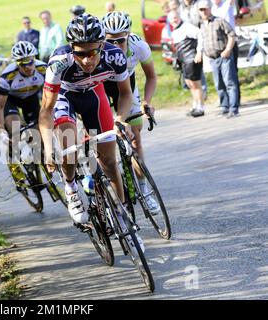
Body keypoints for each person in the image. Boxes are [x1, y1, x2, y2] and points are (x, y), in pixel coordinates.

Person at [39, 13, 134, 224]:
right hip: (65, 96)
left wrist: (120, 119)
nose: (86, 60)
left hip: (94, 94)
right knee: (68, 140)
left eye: (92, 53)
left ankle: (121, 211)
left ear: (102, 45)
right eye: (80, 53)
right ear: (72, 47)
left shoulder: (115, 56)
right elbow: (46, 110)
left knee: (109, 162)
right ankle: (71, 187)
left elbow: (125, 93)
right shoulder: (59, 62)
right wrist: (47, 148)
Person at [102, 11, 161, 215]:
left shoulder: (139, 45)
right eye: (111, 41)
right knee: (104, 142)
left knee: (135, 140)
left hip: (128, 88)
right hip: (102, 89)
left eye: (121, 40)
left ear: (128, 34)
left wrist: (147, 102)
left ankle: (144, 192)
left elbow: (151, 77)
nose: (117, 45)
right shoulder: (99, 51)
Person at [0, 41, 47, 148]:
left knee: (38, 135)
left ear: (35, 58)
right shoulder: (8, 76)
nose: (28, 67)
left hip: (31, 99)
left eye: (30, 62)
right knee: (15, 129)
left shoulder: (44, 69)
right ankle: (13, 158)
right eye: (22, 63)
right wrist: (1, 130)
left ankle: (38, 159)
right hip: (11, 100)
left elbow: (53, 94)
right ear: (16, 64)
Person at [195, 0, 239, 117]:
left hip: (224, 56)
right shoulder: (201, 24)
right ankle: (225, 107)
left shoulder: (219, 21)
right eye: (201, 10)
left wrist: (228, 49)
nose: (203, 12)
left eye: (205, 9)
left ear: (210, 9)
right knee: (219, 84)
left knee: (229, 82)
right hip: (212, 59)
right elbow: (201, 40)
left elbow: (232, 34)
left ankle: (233, 109)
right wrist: (199, 53)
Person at [169, 10, 205, 117]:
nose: (173, 20)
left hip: (192, 59)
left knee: (196, 84)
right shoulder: (175, 30)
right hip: (184, 61)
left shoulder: (187, 27)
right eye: (171, 19)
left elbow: (200, 34)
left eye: (175, 18)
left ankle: (200, 107)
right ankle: (195, 105)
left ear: (179, 17)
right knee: (190, 84)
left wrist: (199, 52)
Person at [211, 0, 241, 105]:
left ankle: (235, 101)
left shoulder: (227, 4)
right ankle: (225, 102)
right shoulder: (211, 8)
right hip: (217, 45)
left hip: (230, 43)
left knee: (232, 76)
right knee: (219, 78)